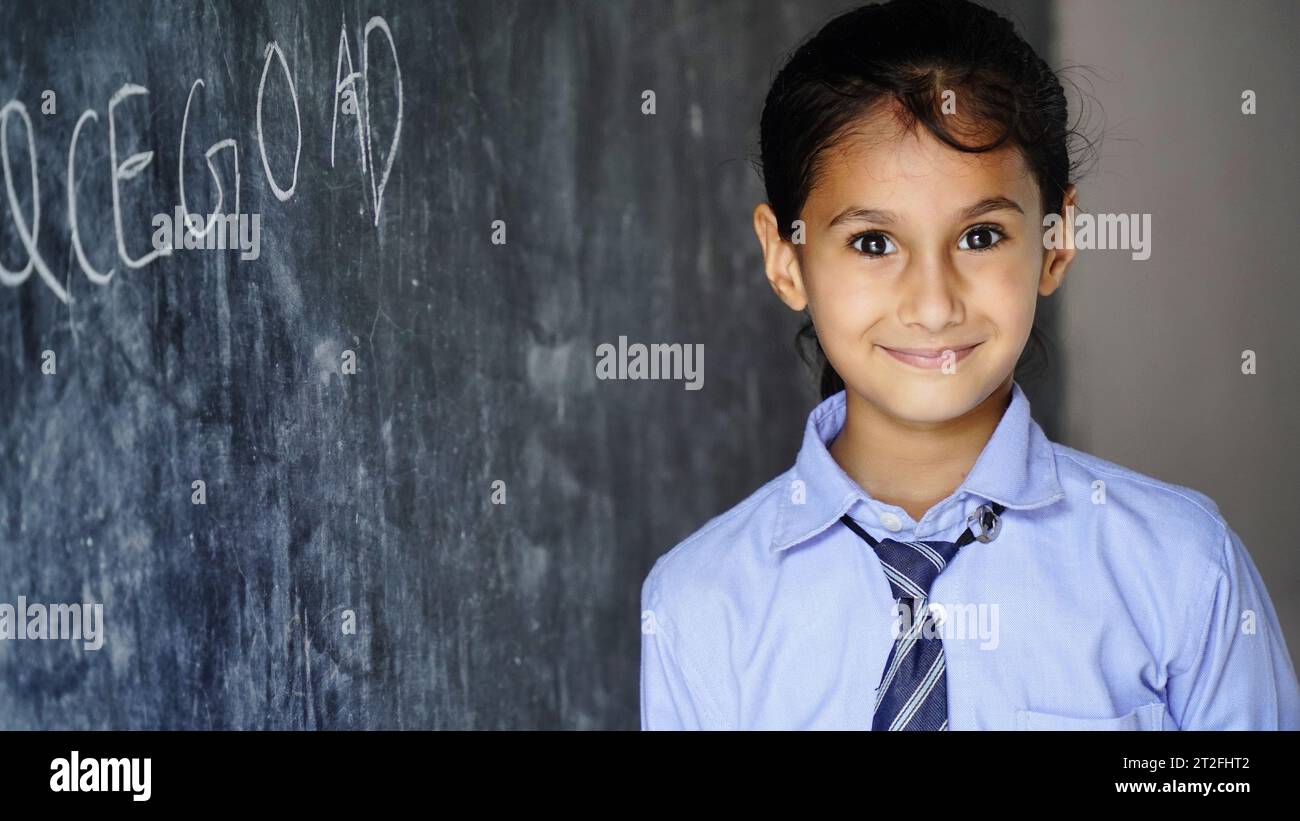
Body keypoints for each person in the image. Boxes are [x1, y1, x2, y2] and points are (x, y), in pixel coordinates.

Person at [639, 0, 1300, 730]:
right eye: (872, 243)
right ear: (784, 257)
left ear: (1055, 242)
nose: (932, 301)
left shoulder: (1182, 569)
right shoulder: (698, 602)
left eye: (981, 236)